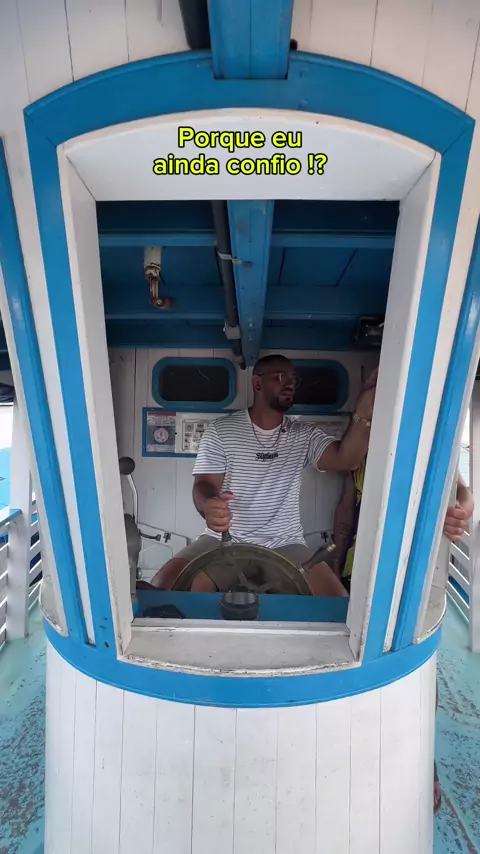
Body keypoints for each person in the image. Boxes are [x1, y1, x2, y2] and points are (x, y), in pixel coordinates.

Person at [150, 354, 377, 594]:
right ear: (257, 383)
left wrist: (365, 411)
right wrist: (208, 505)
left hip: (285, 541)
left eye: (294, 379)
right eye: (280, 377)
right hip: (224, 539)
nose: (290, 384)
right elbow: (204, 484)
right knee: (163, 586)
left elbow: (347, 460)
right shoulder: (221, 430)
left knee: (337, 600)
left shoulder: (304, 435)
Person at [331, 436, 474, 813]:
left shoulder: (427, 439)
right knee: (358, 659)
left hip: (413, 574)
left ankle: (424, 762)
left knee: (418, 664)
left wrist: (464, 508)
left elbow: (461, 491)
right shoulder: (360, 453)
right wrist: (335, 561)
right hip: (362, 570)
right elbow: (346, 511)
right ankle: (360, 751)